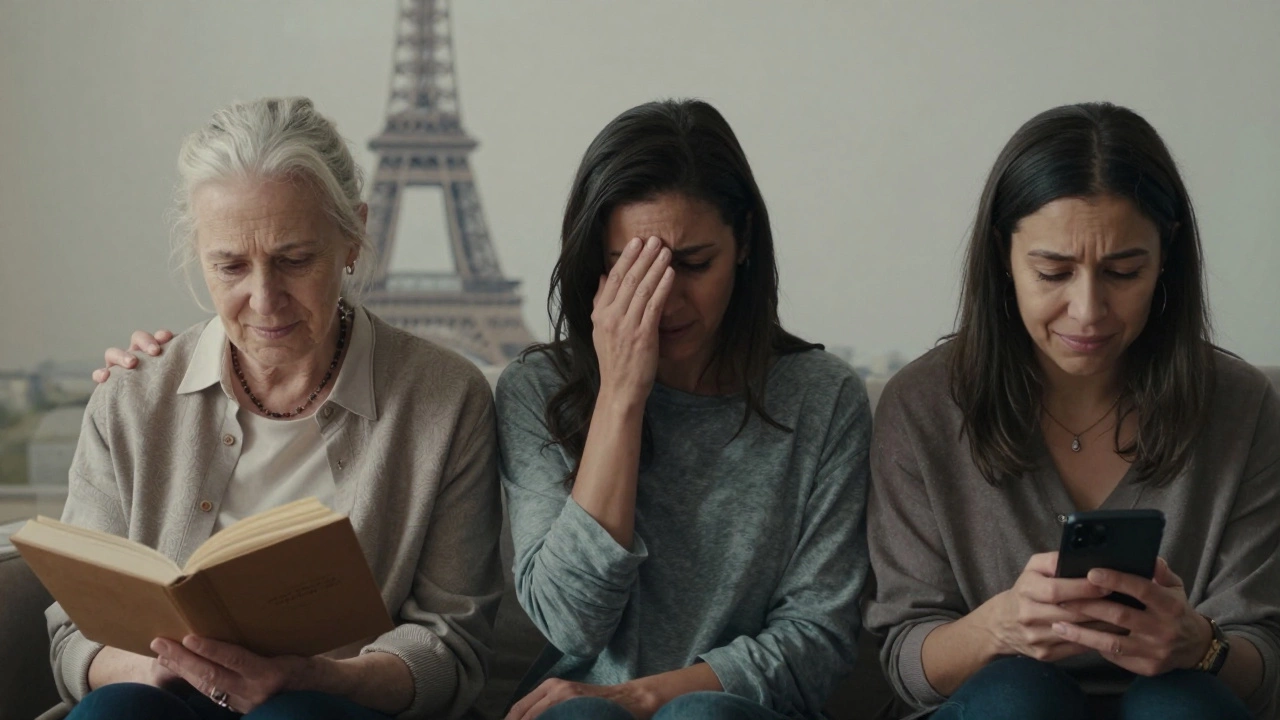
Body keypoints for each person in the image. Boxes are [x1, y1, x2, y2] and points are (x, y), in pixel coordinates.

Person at [60, 97, 503, 720]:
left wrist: (322, 678)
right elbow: (72, 629)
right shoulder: (133, 395)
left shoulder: (445, 400)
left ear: (352, 237)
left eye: (295, 260)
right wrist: (159, 666)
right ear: (199, 256)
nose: (264, 300)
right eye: (230, 265)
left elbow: (451, 645)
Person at [863, 102, 1280, 719]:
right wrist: (999, 628)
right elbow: (906, 661)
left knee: (1181, 706)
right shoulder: (923, 406)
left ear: (1165, 260)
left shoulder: (1240, 407)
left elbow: (1261, 663)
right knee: (1018, 695)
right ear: (1004, 259)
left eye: (1123, 271)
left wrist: (1201, 645)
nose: (1087, 311)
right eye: (1053, 272)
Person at [495, 99, 870, 720]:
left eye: (692, 264)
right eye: (630, 269)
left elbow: (818, 638)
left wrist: (646, 695)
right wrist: (620, 397)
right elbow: (569, 623)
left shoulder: (822, 398)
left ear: (744, 240)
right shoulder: (538, 388)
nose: (662, 300)